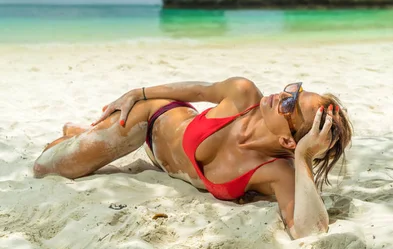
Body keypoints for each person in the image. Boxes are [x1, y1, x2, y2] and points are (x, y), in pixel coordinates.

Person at [33, 77, 352, 239]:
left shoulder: (276, 172)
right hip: (151, 119)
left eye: (289, 105)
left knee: (65, 160)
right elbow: (198, 92)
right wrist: (139, 93)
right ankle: (79, 135)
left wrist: (304, 157)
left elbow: (308, 232)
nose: (282, 94)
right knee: (45, 167)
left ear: (288, 139)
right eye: (292, 89)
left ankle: (80, 134)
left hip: (158, 161)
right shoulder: (243, 93)